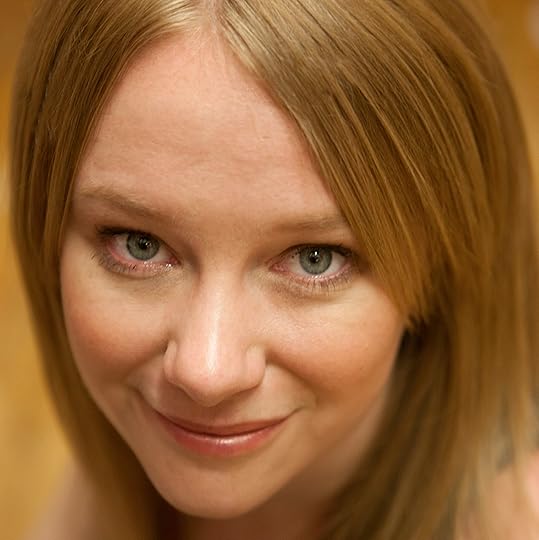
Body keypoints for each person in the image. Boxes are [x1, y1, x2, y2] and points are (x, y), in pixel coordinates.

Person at [9, 1, 539, 539]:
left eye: (315, 259)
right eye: (139, 246)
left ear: (440, 264)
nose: (205, 374)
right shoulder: (133, 451)